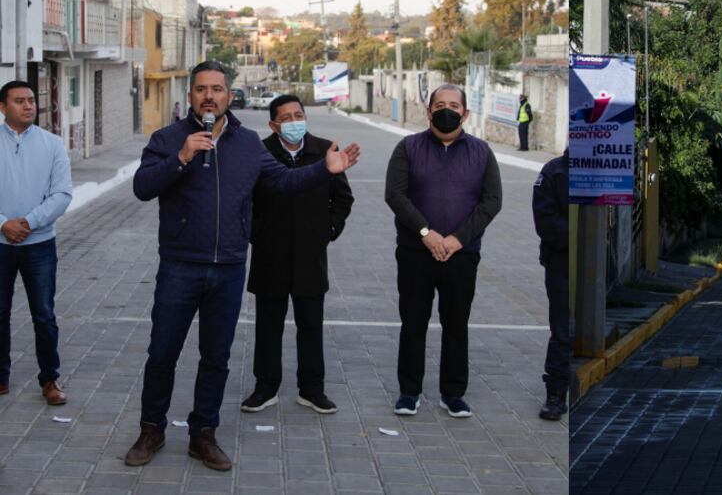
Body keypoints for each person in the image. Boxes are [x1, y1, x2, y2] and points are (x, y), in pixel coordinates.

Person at [125, 61, 360, 471]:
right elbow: (142, 188)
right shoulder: (168, 138)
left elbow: (283, 182)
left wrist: (323, 169)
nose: (209, 97)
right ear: (191, 95)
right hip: (180, 266)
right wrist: (181, 157)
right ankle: (151, 430)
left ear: (229, 95)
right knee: (162, 352)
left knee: (216, 357)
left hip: (229, 268)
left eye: (217, 89)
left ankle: (203, 433)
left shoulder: (248, 143)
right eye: (201, 89)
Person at [384, 84, 502, 419]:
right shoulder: (408, 148)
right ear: (428, 111)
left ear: (465, 113)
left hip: (461, 255)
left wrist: (457, 239)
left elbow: (492, 201)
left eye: (453, 105)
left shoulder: (481, 151)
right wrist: (426, 233)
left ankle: (453, 394)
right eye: (439, 105)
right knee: (413, 322)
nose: (446, 110)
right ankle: (409, 392)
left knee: (456, 324)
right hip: (415, 253)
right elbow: (395, 195)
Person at [241, 95, 354, 416]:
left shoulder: (325, 150)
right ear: (273, 125)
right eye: (286, 118)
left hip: (310, 255)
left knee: (311, 324)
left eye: (298, 115)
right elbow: (245, 199)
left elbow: (343, 199)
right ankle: (265, 388)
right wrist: (256, 233)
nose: (294, 122)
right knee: (268, 326)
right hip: (270, 255)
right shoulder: (259, 152)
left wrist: (327, 230)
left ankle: (312, 389)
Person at [0, 81, 71, 406]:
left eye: (30, 100)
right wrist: (3, 224)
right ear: (3, 107)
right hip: (0, 243)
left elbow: (62, 194)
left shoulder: (52, 144)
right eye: (19, 101)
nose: (28, 106)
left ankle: (50, 379)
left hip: (39, 244)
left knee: (43, 314)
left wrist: (28, 223)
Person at [533, 149, 568, 421]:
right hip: (561, 262)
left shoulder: (605, 172)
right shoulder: (553, 172)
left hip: (598, 261)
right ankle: (555, 393)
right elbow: (545, 223)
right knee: (562, 329)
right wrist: (581, 234)